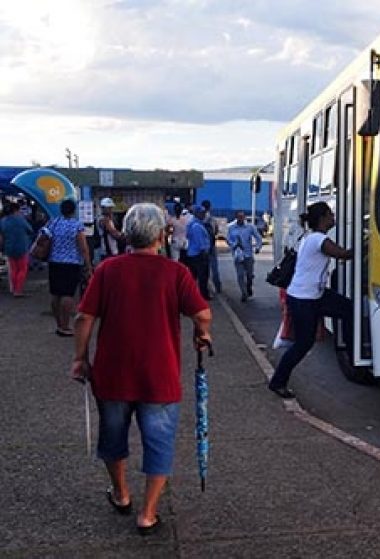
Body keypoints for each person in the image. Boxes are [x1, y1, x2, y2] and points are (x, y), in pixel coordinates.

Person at [70, 202, 212, 535]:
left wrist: (80, 358)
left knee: (113, 437)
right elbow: (202, 314)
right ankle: (147, 514)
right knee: (159, 443)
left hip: (112, 374)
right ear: (162, 235)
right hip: (158, 375)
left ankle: (121, 494)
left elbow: (83, 317)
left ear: (128, 235)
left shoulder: (108, 269)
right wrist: (200, 334)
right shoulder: (176, 273)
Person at [268, 202, 352, 399]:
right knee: (303, 344)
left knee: (348, 309)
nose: (333, 217)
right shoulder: (318, 239)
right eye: (331, 214)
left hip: (314, 295)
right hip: (304, 299)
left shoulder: (310, 238)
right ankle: (277, 382)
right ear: (323, 218)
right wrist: (369, 243)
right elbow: (344, 255)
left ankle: (349, 349)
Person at [46, 198, 93, 336]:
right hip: (71, 263)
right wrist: (88, 265)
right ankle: (65, 326)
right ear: (74, 211)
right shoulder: (76, 226)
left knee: (55, 294)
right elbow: (83, 247)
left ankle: (59, 324)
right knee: (67, 294)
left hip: (54, 262)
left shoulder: (53, 223)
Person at [226, 210, 262, 302]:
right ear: (236, 217)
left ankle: (248, 286)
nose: (241, 219)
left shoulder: (250, 227)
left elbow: (258, 237)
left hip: (248, 255)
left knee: (249, 275)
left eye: (242, 217)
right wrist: (235, 244)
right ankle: (244, 293)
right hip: (238, 255)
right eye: (239, 217)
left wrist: (258, 247)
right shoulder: (231, 227)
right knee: (240, 275)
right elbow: (228, 240)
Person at [0, 201, 33, 297]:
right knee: (22, 269)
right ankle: (18, 290)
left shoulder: (3, 221)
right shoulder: (21, 220)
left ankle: (13, 289)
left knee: (13, 270)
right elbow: (30, 230)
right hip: (22, 248)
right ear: (16, 210)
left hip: (9, 248)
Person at [184, 204, 212, 300]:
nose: (204, 215)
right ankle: (203, 295)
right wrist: (204, 251)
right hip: (199, 254)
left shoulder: (194, 224)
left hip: (192, 253)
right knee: (202, 275)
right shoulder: (197, 226)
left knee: (194, 275)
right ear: (197, 214)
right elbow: (200, 242)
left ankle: (192, 294)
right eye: (202, 213)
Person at [200, 200, 222, 294]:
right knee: (214, 268)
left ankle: (206, 288)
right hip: (212, 246)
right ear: (210, 207)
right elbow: (216, 231)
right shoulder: (212, 219)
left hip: (203, 248)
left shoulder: (199, 219)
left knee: (204, 268)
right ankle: (218, 287)